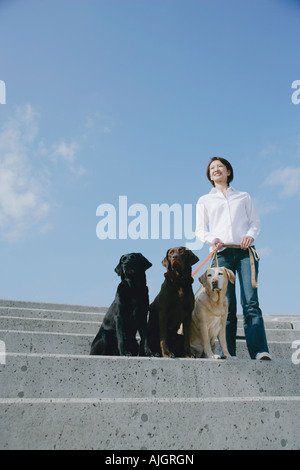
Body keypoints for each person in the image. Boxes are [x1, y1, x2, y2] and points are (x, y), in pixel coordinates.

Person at [195, 156, 271, 360]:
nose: (216, 170)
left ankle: (260, 351)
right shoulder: (204, 200)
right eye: (212, 168)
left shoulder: (243, 196)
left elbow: (255, 223)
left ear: (228, 172)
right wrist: (213, 239)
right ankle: (227, 352)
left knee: (251, 303)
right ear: (209, 175)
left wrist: (250, 235)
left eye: (220, 167)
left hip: (246, 253)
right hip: (221, 255)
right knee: (225, 305)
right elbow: (200, 230)